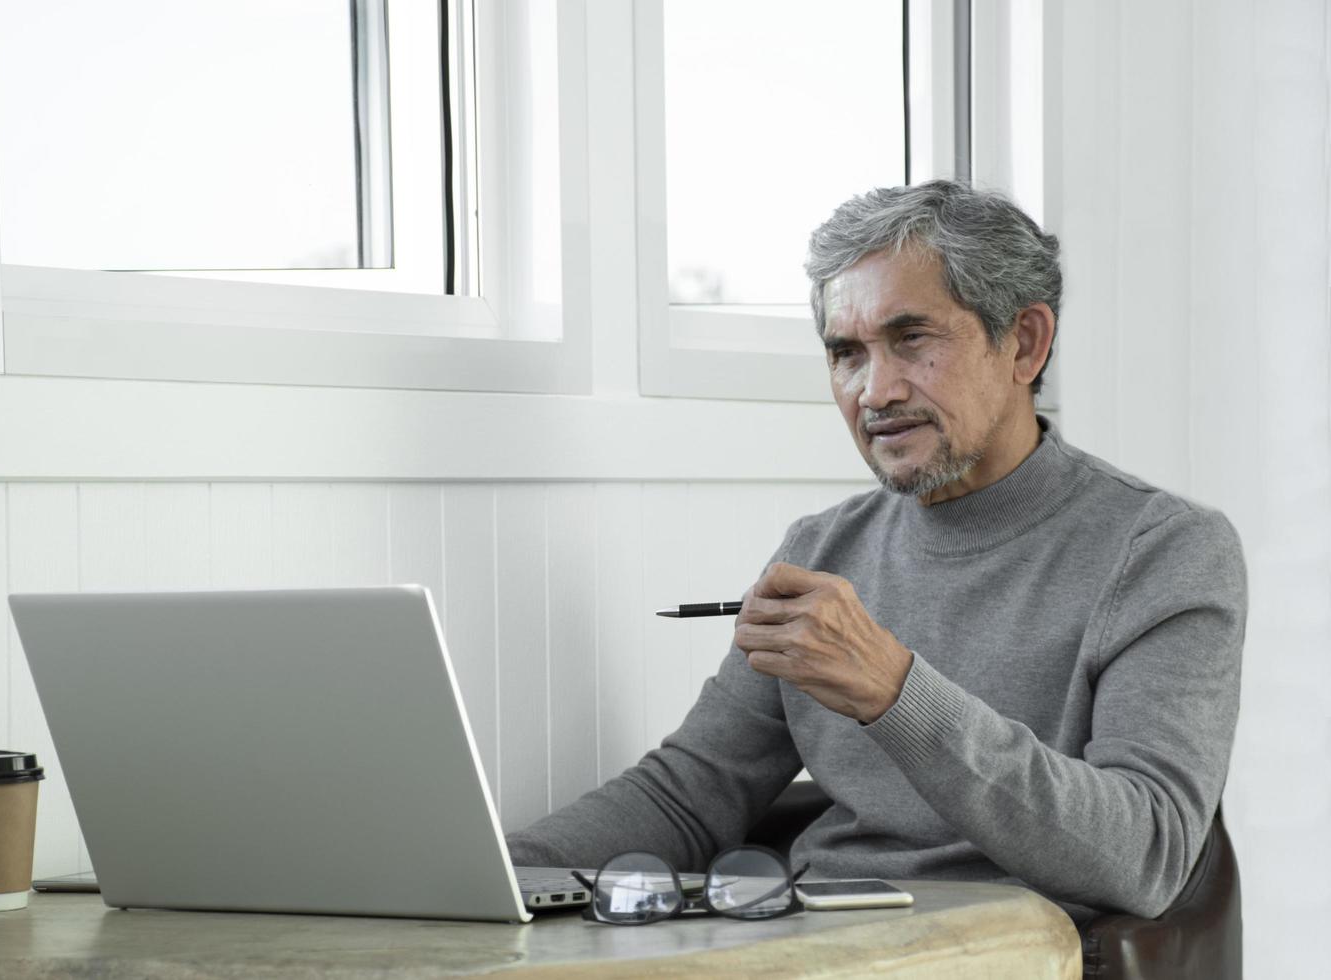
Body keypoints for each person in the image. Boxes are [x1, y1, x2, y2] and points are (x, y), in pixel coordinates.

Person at [505, 180, 1247, 924]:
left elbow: (1146, 855)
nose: (875, 391)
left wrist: (895, 691)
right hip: (808, 953)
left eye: (912, 340)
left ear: (1024, 343)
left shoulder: (1164, 552)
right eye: (846, 354)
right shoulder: (823, 549)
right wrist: (490, 871)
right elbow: (689, 796)